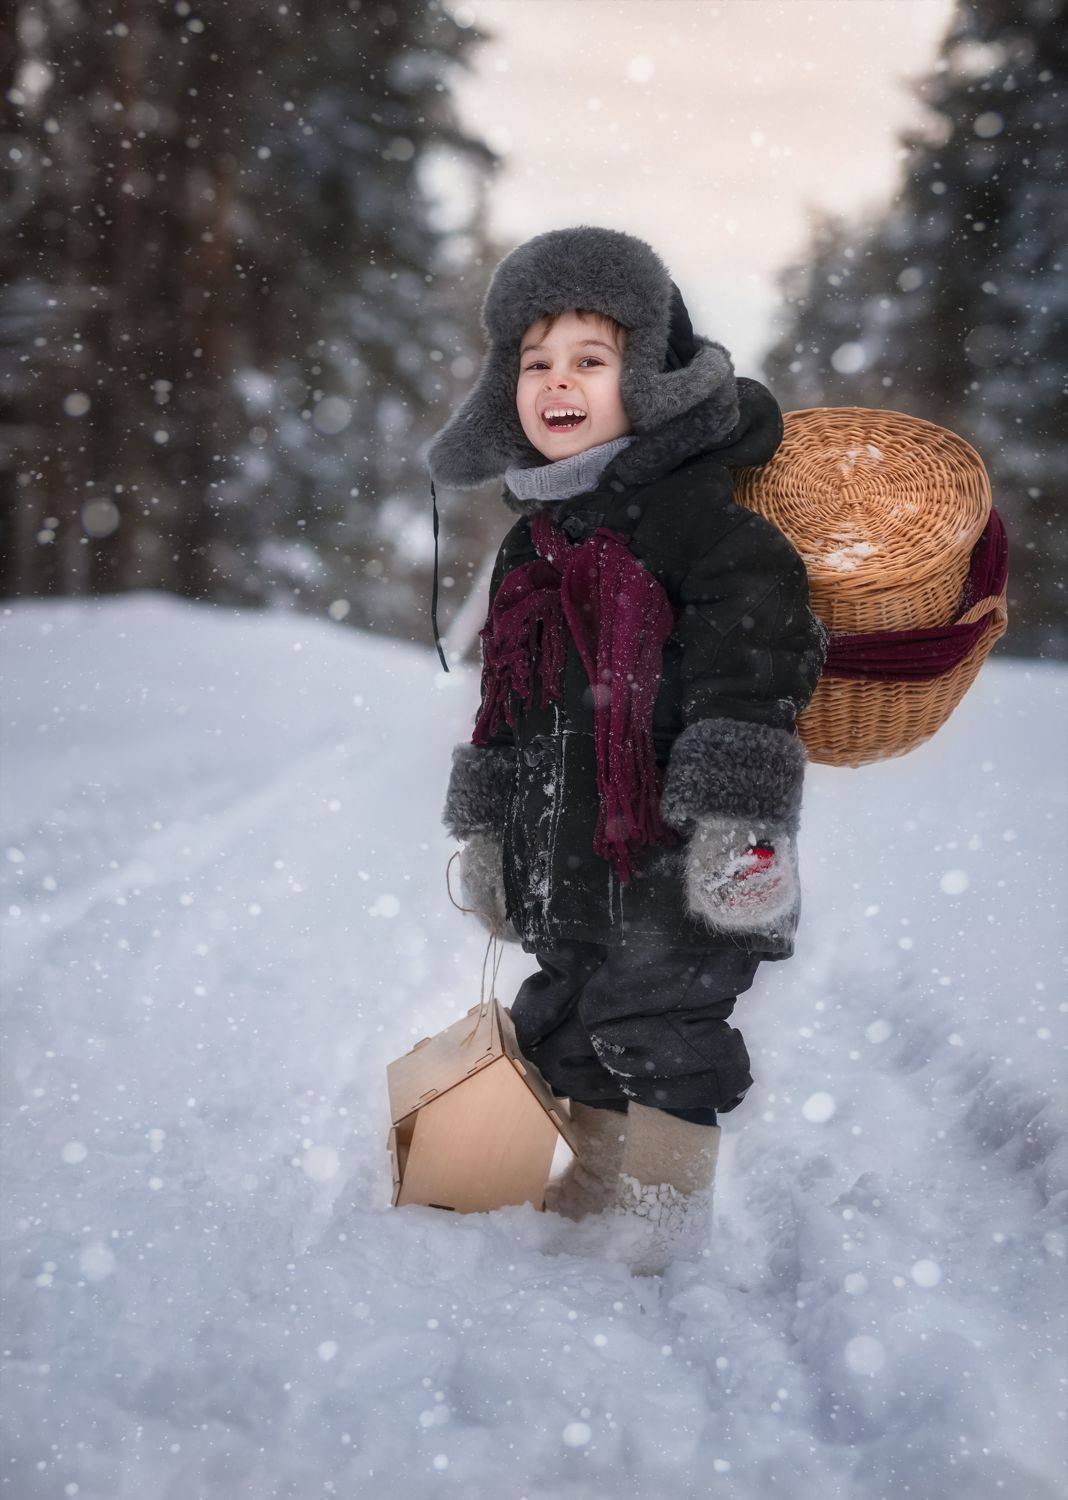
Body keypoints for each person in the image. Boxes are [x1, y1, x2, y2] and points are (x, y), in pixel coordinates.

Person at [426, 226, 828, 1273]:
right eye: (535, 362)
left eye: (590, 361)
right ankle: (585, 1207)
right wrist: (489, 828)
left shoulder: (713, 533)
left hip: (677, 865)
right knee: (566, 1026)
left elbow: (755, 677)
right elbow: (506, 705)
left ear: (647, 377)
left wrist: (739, 829)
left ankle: (660, 1238)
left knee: (667, 1038)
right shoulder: (534, 537)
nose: (558, 383)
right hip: (569, 863)